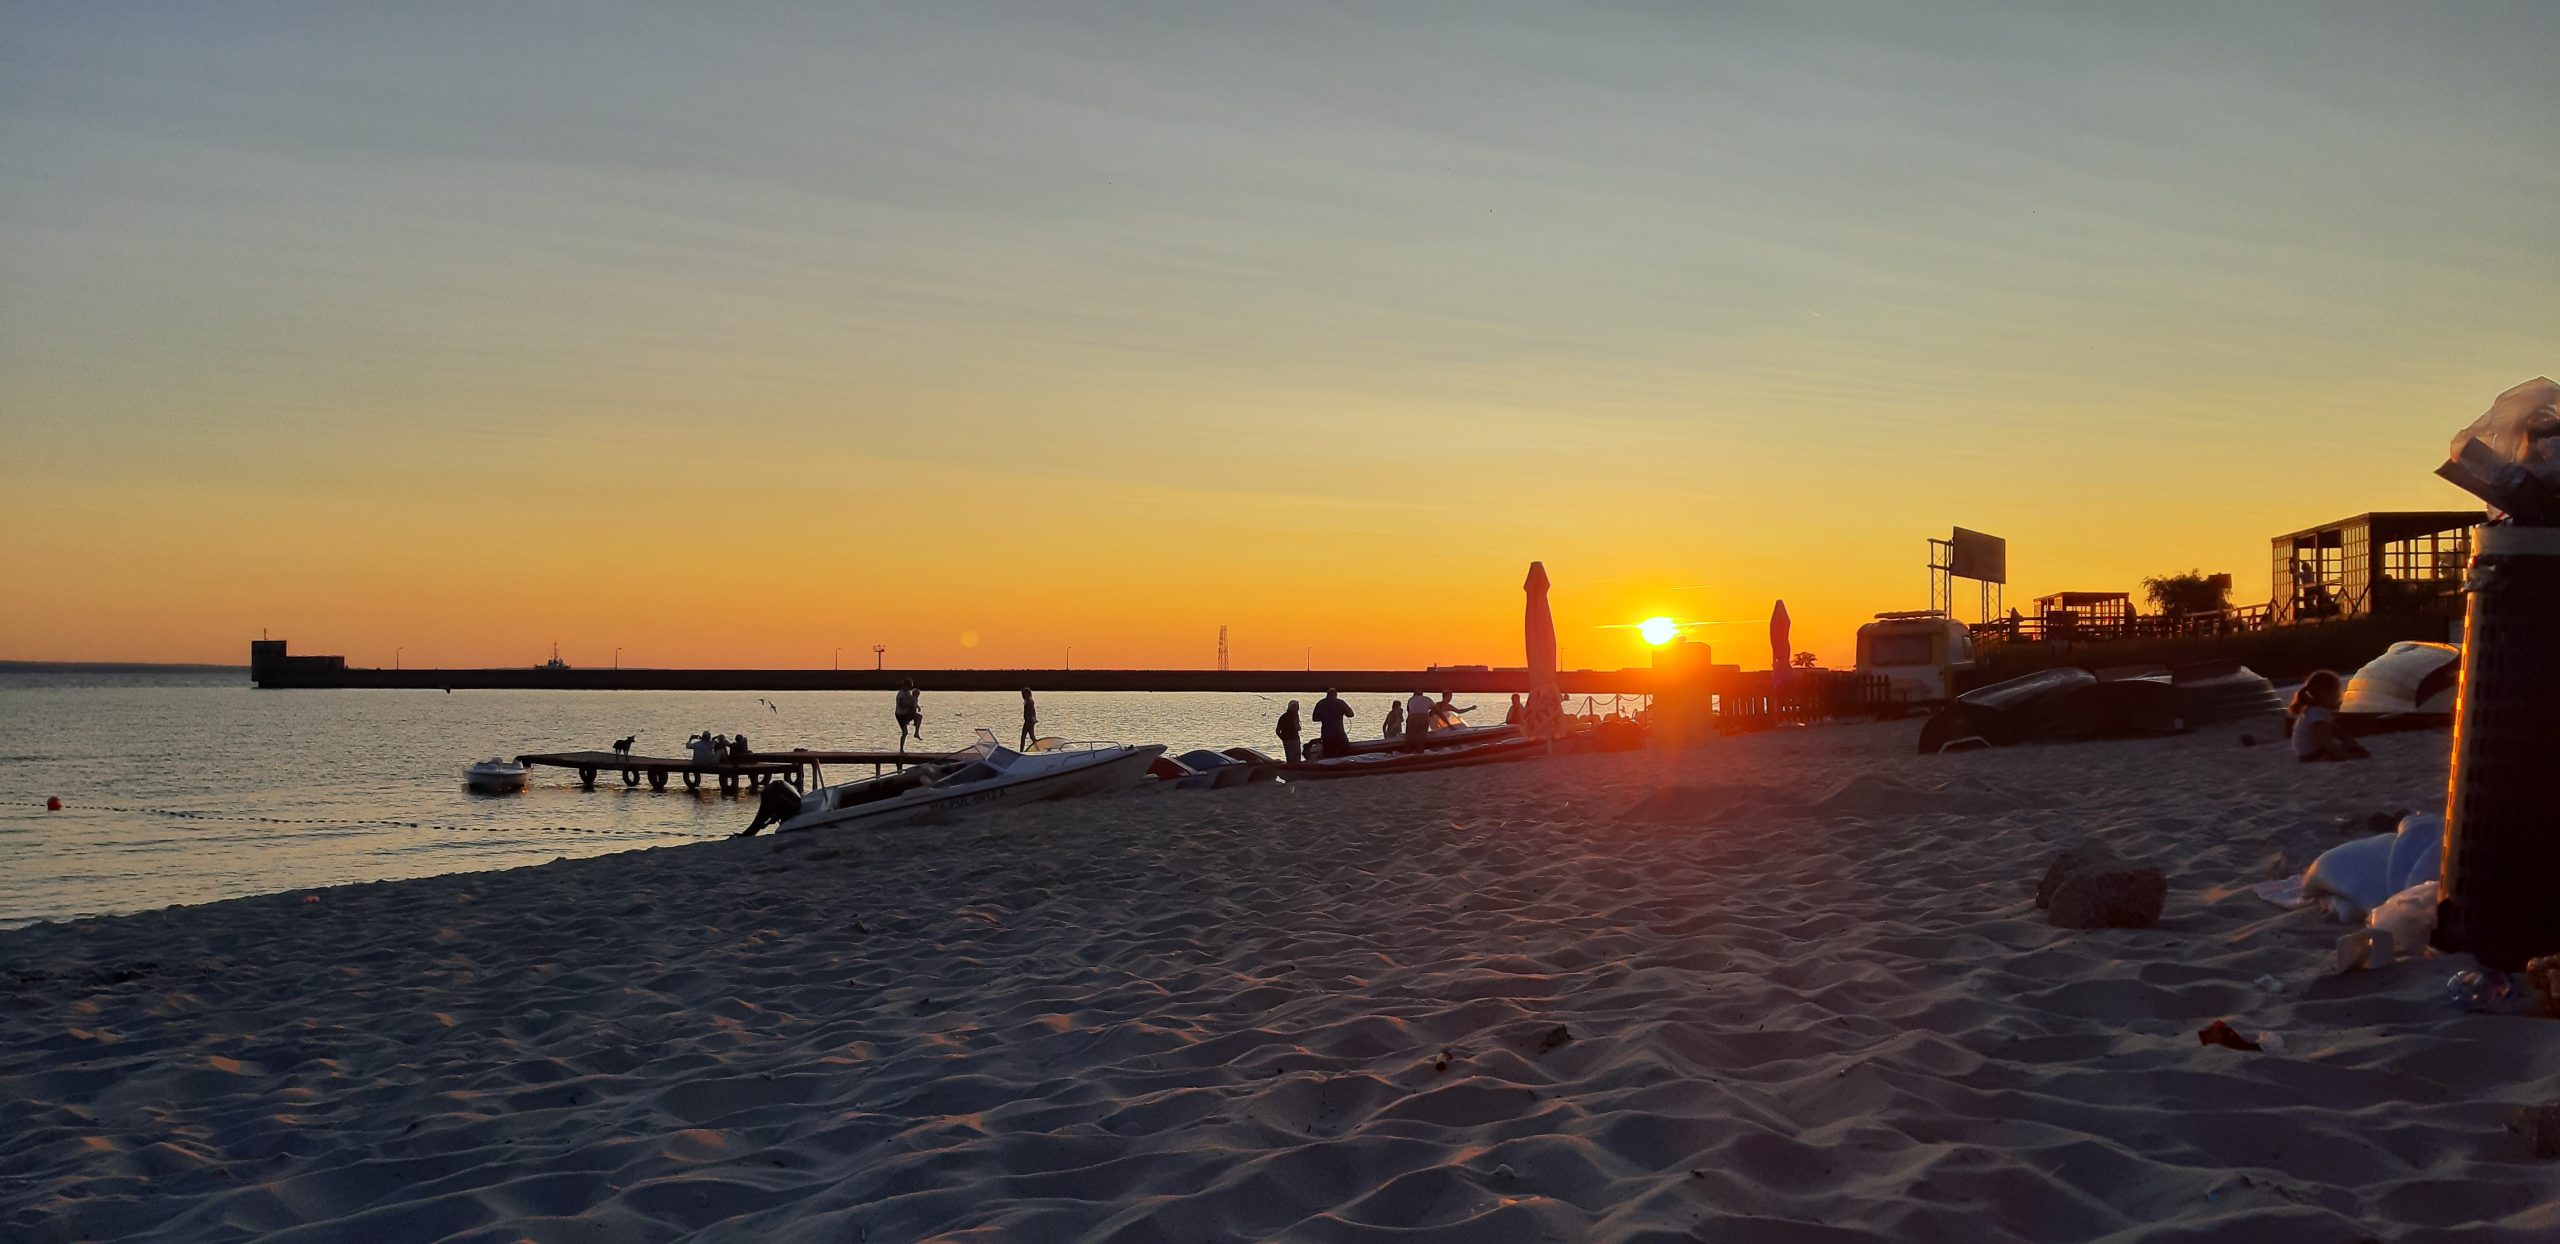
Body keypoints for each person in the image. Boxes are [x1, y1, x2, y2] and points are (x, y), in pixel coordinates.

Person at [2288, 670, 2369, 762]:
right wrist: (2347, 757)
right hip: (2310, 755)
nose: (2339, 695)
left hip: (2308, 753)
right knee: (2353, 754)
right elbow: (2326, 741)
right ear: (2327, 693)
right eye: (2337, 691)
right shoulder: (2317, 713)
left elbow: (2340, 732)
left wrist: (2355, 746)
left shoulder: (2318, 710)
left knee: (2357, 752)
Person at [1311, 689, 1355, 759]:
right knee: (1346, 755)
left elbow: (1315, 718)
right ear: (1336, 695)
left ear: (1327, 694)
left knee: (1328, 757)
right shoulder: (1340, 703)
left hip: (1326, 735)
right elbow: (1351, 714)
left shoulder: (1320, 703)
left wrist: (1325, 717)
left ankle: (1330, 769)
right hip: (1339, 733)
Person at [894, 679, 923, 750]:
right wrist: (909, 704)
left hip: (907, 713)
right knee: (905, 732)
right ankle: (901, 749)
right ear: (905, 685)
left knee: (919, 717)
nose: (910, 688)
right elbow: (901, 704)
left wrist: (916, 706)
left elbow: (913, 701)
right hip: (900, 715)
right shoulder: (901, 693)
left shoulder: (908, 692)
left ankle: (916, 733)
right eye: (909, 686)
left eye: (911, 686)